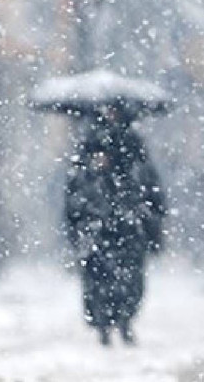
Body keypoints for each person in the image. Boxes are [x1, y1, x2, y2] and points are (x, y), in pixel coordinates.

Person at [64, 108, 167, 345]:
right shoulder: (89, 146)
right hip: (99, 227)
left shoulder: (132, 148)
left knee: (128, 279)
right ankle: (103, 323)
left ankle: (123, 320)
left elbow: (149, 185)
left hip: (126, 226)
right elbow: (76, 192)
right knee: (99, 279)